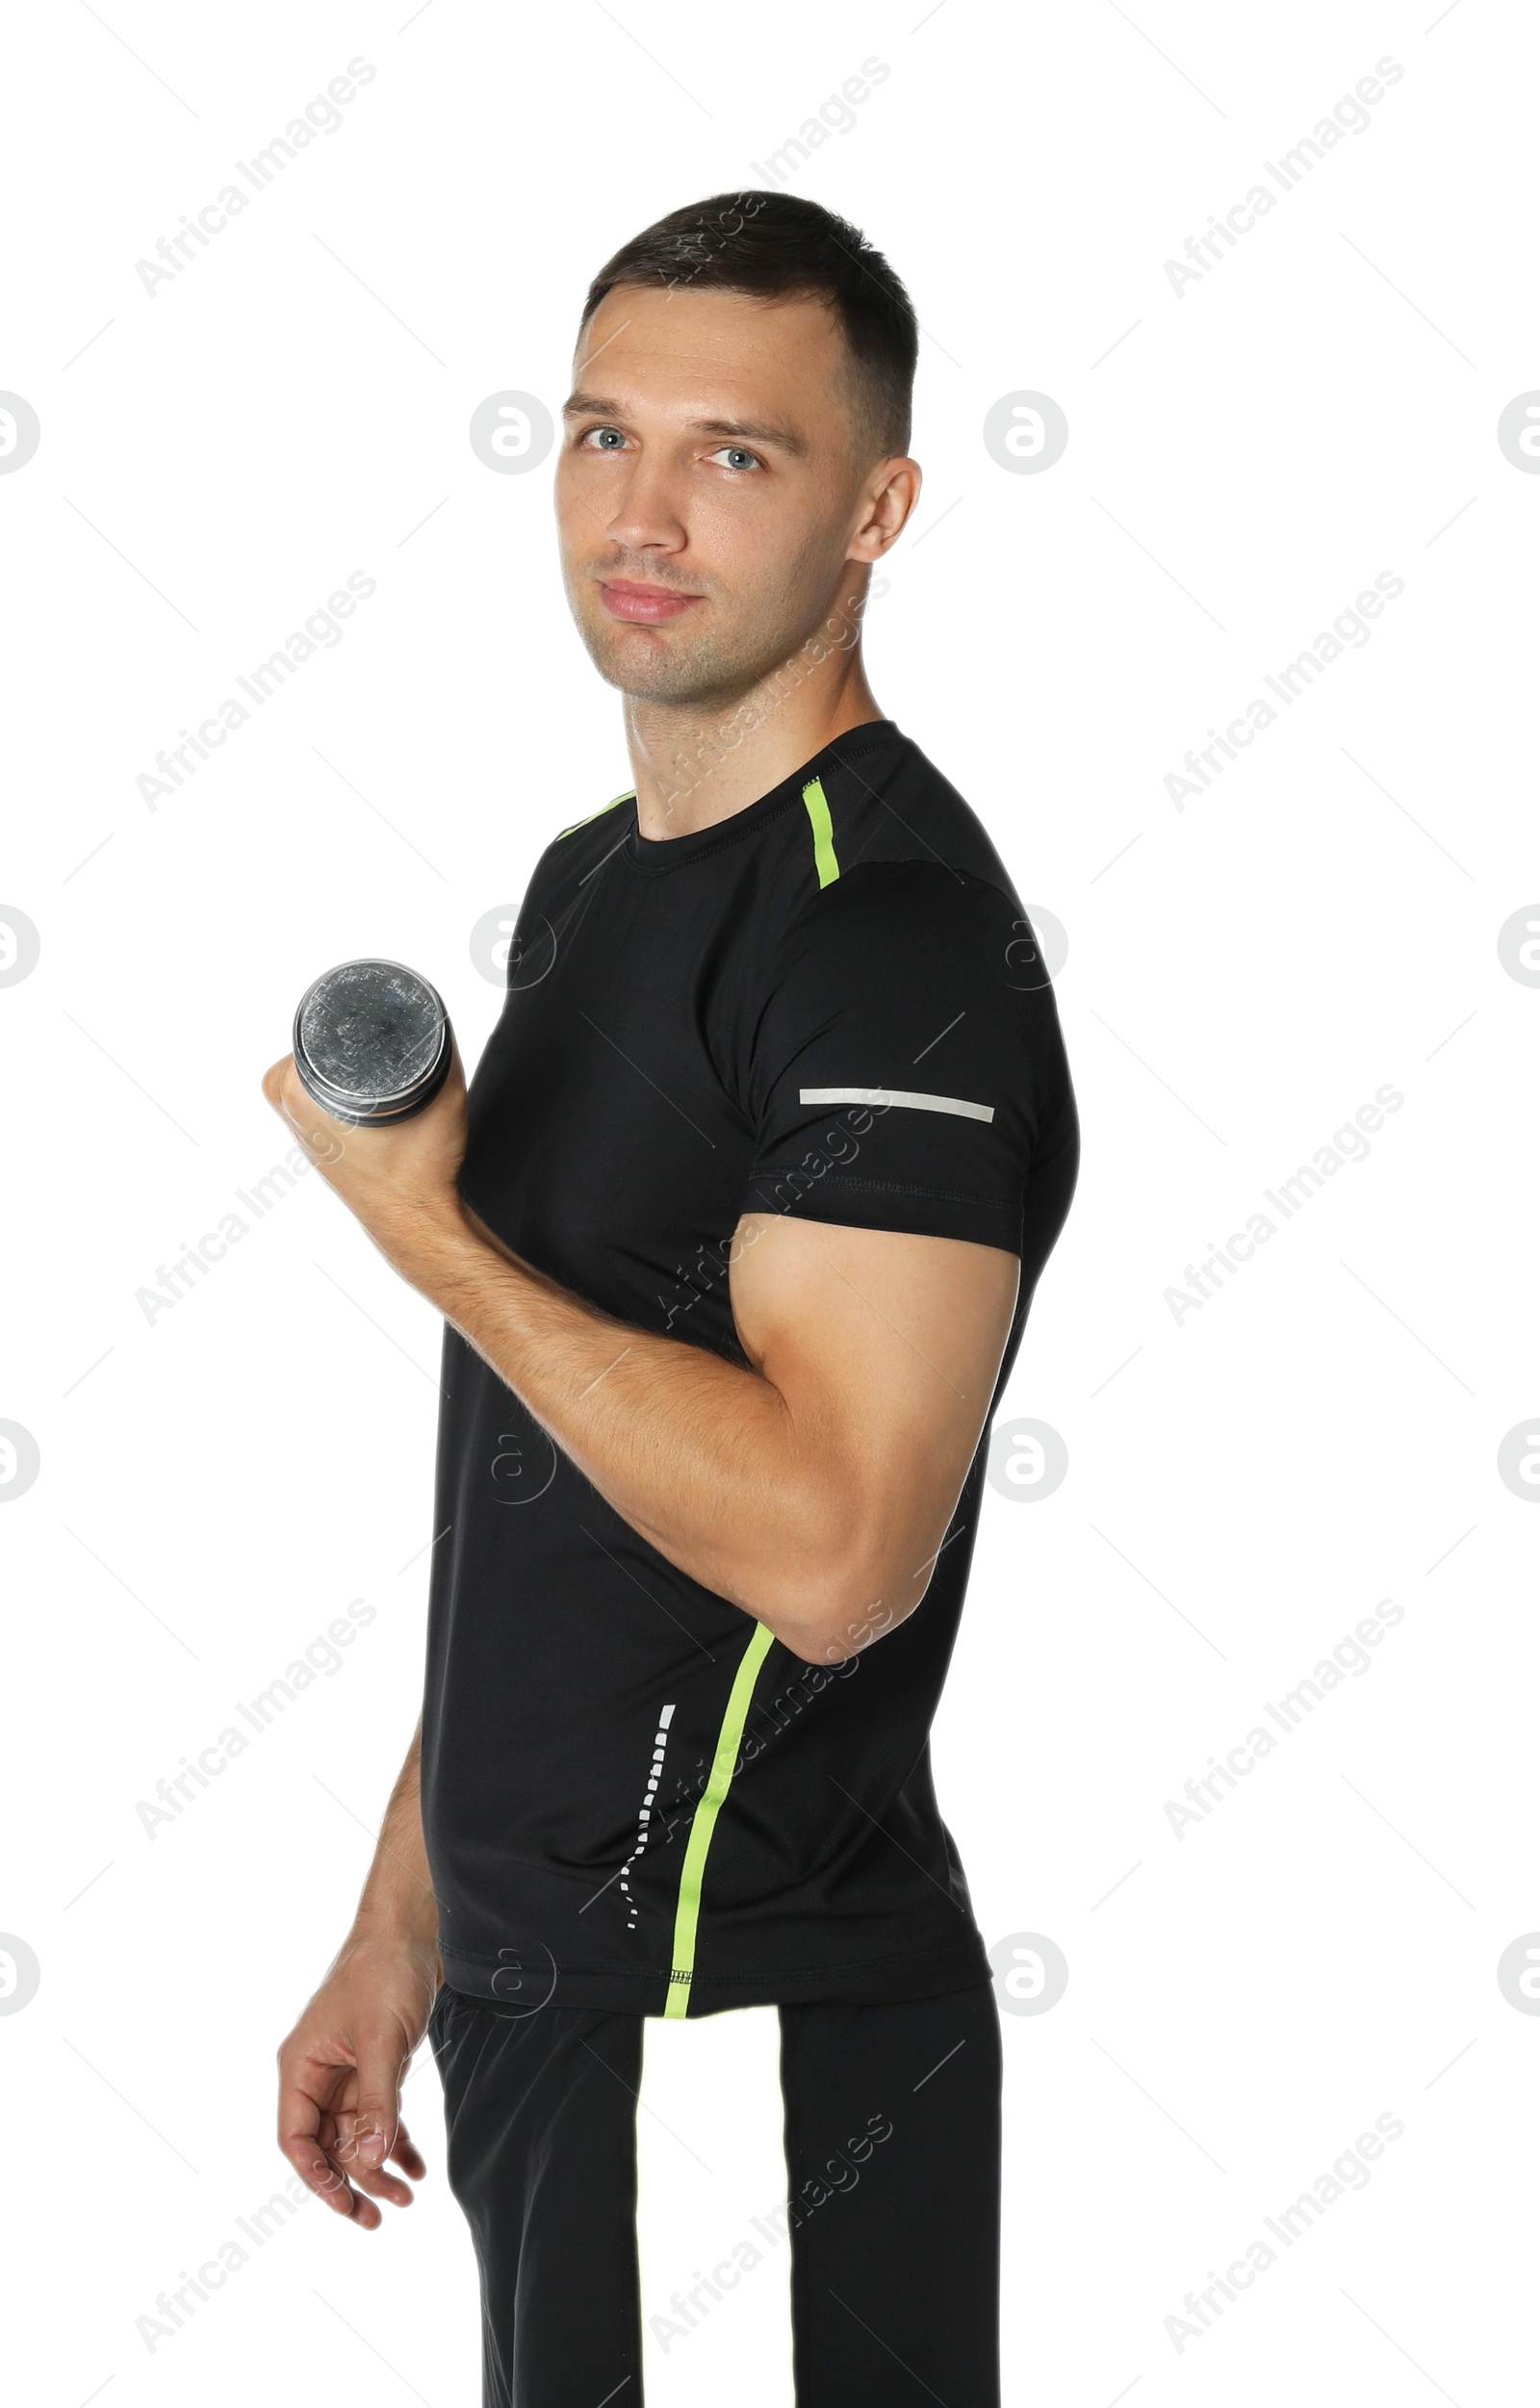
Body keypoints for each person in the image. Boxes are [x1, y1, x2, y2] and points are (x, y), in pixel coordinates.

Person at [266, 188, 1077, 2405]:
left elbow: (828, 1552)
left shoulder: (885, 947)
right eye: (599, 432)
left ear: (876, 505)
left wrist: (421, 1229)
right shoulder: (590, 888)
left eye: (736, 454)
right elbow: (570, 1474)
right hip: (547, 2008)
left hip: (749, 2030)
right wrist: (399, 1920)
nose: (641, 513)